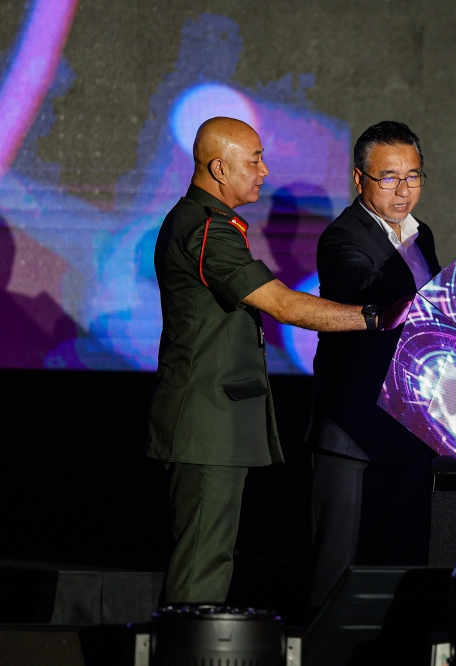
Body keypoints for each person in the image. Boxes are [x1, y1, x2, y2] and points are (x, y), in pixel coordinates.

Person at [147, 117, 398, 605]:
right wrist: (379, 317)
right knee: (201, 567)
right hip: (205, 425)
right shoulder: (204, 230)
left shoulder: (211, 224)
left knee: (210, 560)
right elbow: (283, 304)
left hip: (213, 424)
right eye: (254, 159)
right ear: (219, 168)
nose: (264, 170)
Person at [307, 121, 441, 608]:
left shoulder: (420, 235)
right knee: (338, 578)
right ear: (359, 179)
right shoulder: (341, 237)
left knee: (400, 575)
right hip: (354, 432)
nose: (404, 190)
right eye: (389, 177)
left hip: (412, 430)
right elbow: (375, 298)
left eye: (413, 176)